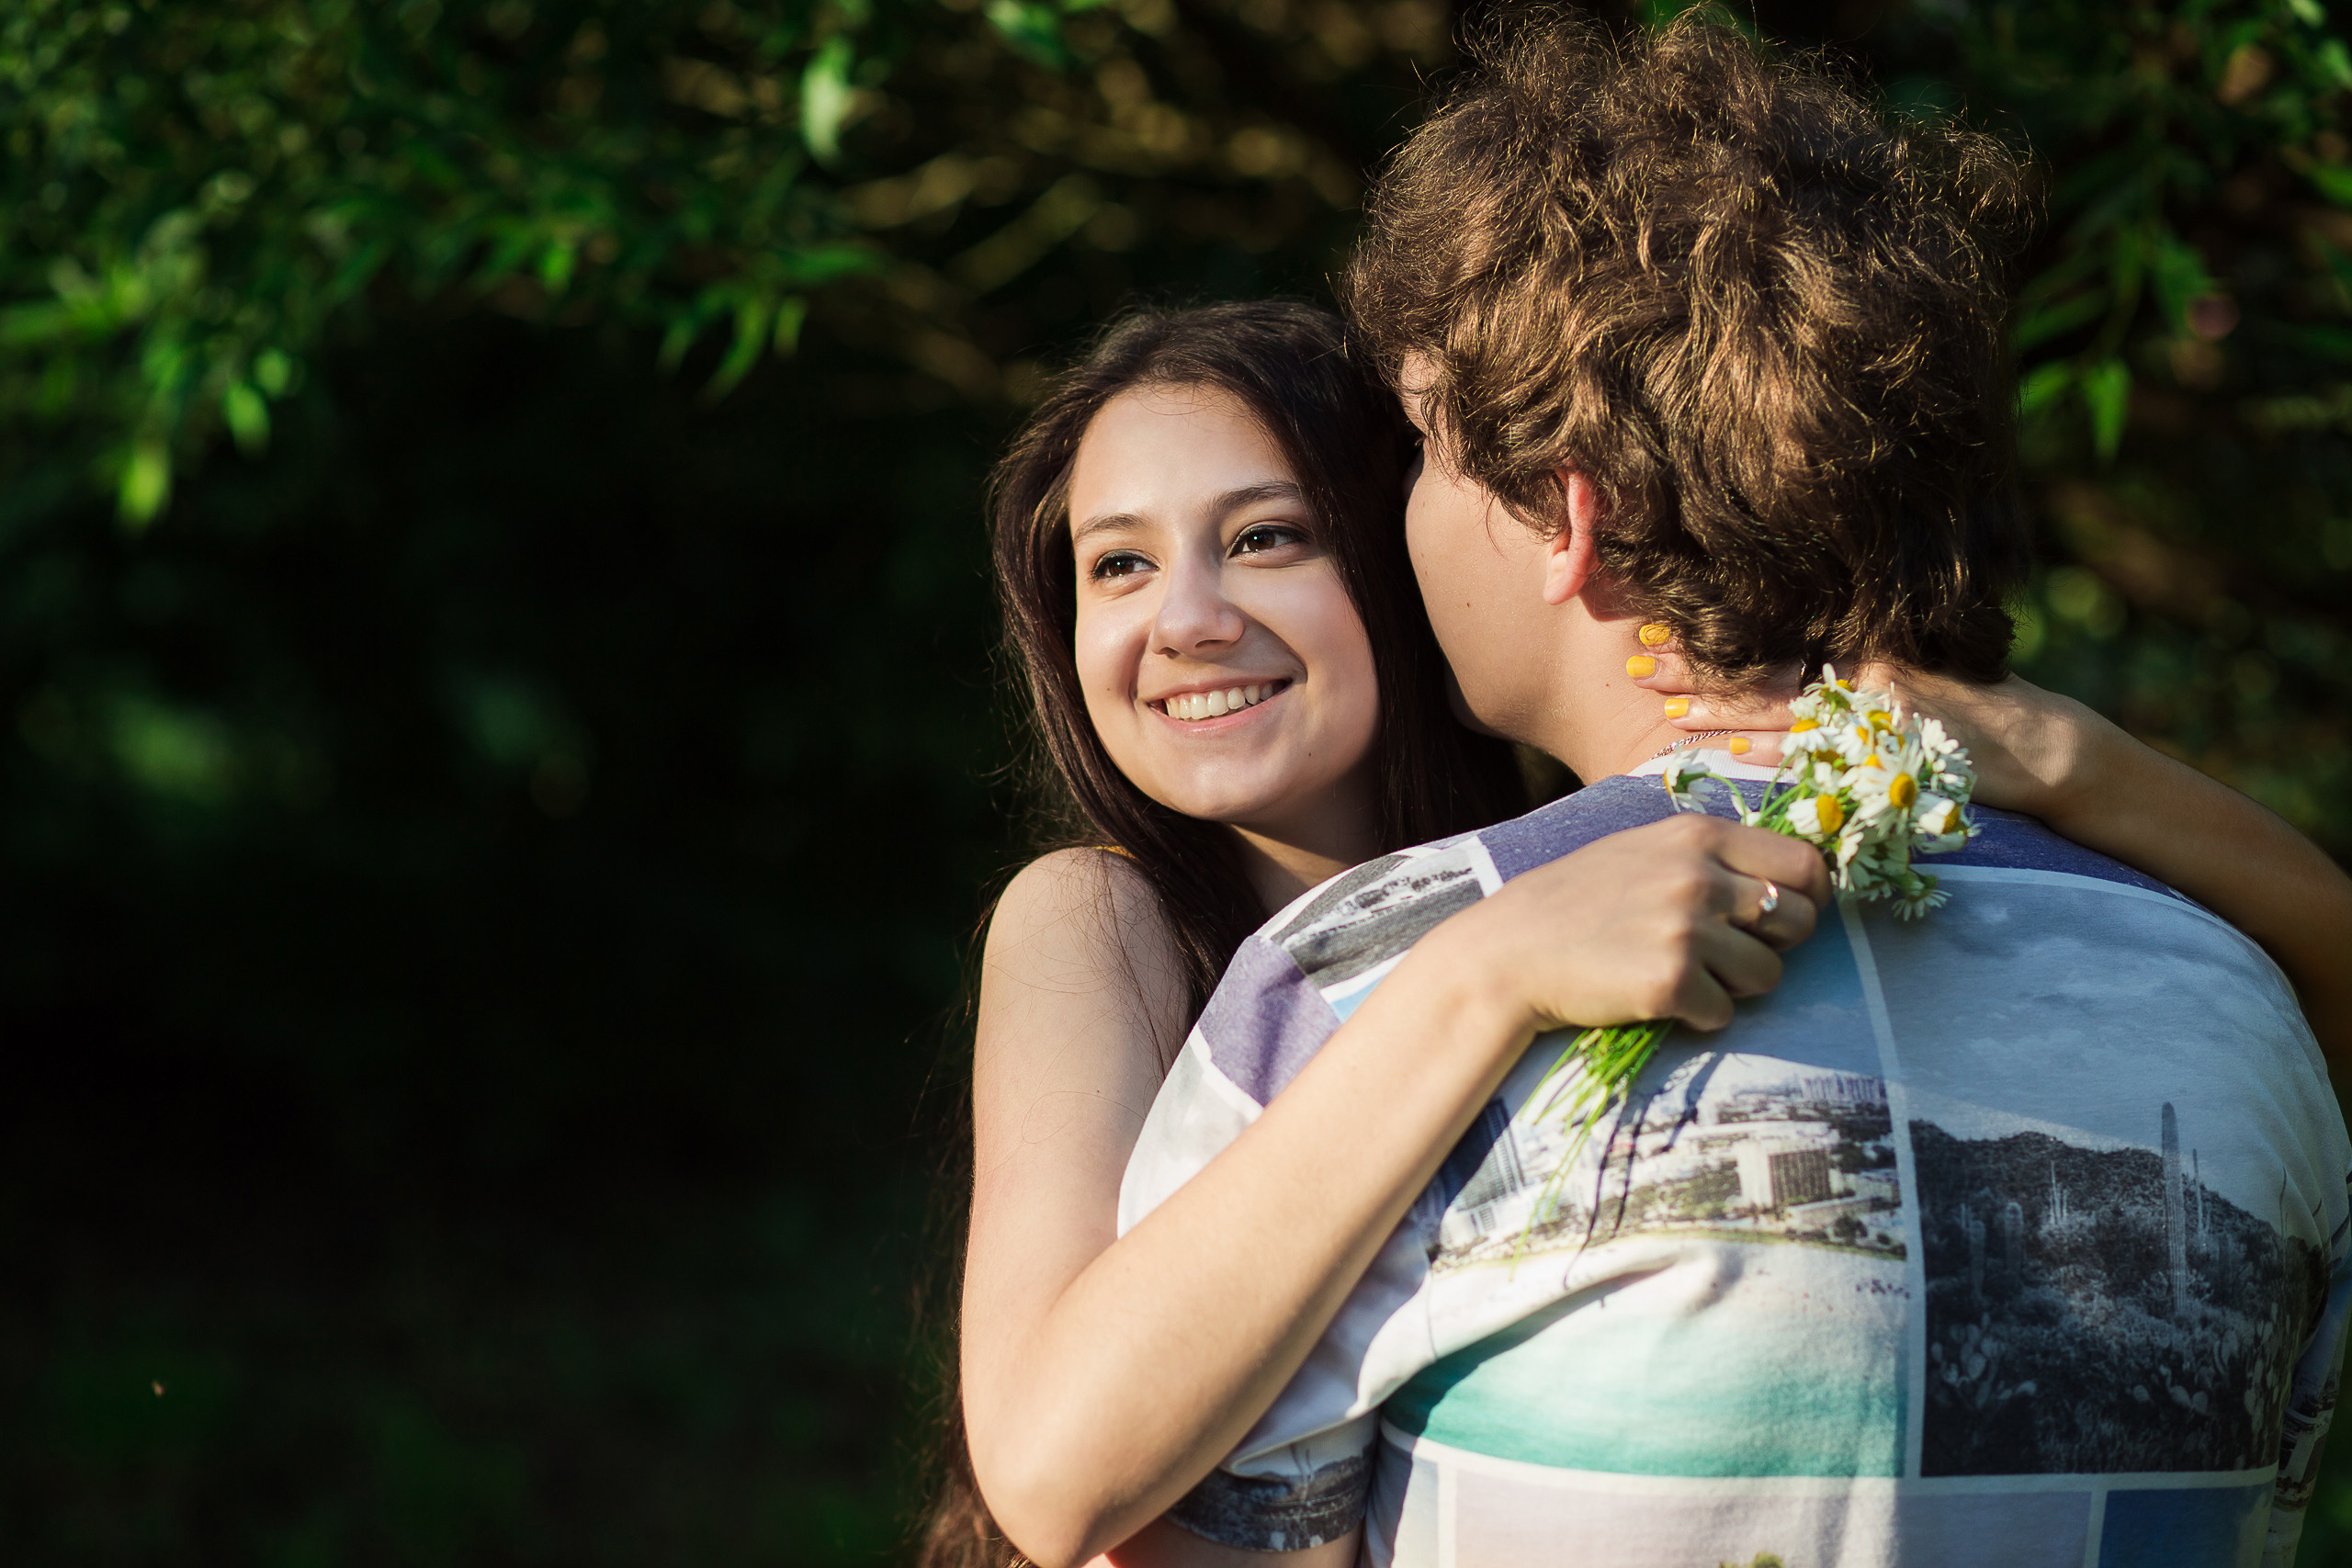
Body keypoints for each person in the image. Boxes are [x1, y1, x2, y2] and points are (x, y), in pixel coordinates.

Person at [1114, 19, 2352, 1568]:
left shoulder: (1360, 983)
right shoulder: (2246, 999)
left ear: (1573, 520)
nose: (1404, 518)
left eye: (1425, 453)